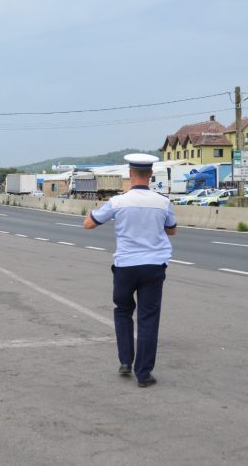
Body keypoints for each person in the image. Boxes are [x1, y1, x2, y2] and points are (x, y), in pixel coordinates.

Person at [83, 153, 177, 388]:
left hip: (125, 266)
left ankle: (125, 361)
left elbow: (89, 224)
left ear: (130, 174)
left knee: (123, 310)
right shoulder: (162, 202)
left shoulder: (118, 201)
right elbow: (172, 230)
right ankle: (143, 374)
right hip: (154, 266)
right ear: (151, 175)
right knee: (148, 318)